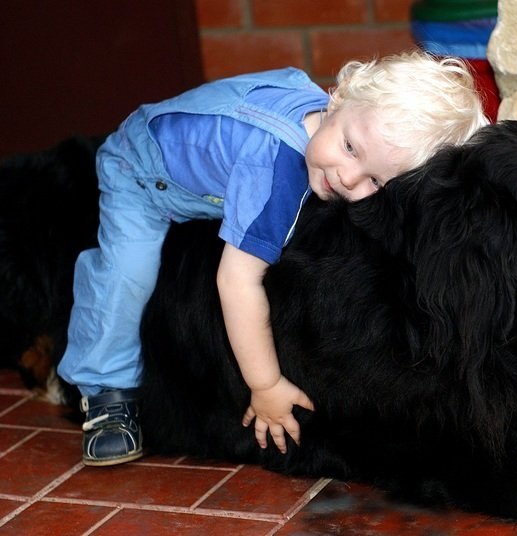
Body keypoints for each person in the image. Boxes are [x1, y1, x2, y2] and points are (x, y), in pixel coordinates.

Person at [57, 50, 489, 466]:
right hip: (142, 169)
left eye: (376, 181)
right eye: (351, 149)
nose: (348, 178)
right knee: (126, 277)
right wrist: (265, 385)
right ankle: (104, 393)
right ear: (336, 97)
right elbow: (236, 283)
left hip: (217, 139)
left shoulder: (339, 125)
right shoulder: (272, 174)